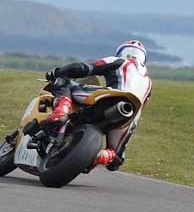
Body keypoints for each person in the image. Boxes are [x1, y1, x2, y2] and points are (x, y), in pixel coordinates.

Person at [44, 40, 152, 171]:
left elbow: (83, 68)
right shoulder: (149, 81)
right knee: (116, 159)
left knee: (63, 82)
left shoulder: (119, 61)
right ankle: (97, 156)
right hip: (129, 115)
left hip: (111, 98)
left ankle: (61, 111)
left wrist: (59, 72)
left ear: (122, 52)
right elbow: (142, 106)